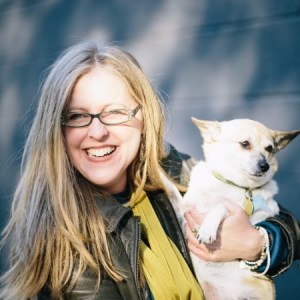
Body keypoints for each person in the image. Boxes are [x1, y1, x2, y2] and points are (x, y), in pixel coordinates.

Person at [0, 41, 299, 300]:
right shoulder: (67, 243)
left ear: (144, 117)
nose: (98, 132)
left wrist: (257, 244)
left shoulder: (171, 170)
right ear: (57, 129)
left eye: (114, 112)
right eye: (77, 116)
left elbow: (287, 226)